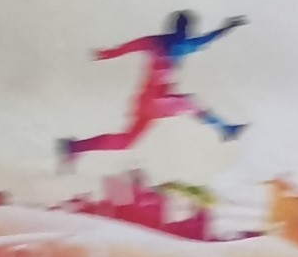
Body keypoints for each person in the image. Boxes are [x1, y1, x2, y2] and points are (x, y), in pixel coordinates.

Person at [60, 10, 248, 162]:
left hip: (145, 101)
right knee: (189, 103)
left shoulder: (155, 41)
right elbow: (208, 38)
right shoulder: (183, 45)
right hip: (157, 101)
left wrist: (104, 54)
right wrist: (227, 27)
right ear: (186, 29)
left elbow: (125, 48)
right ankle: (226, 129)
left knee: (126, 142)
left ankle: (75, 147)